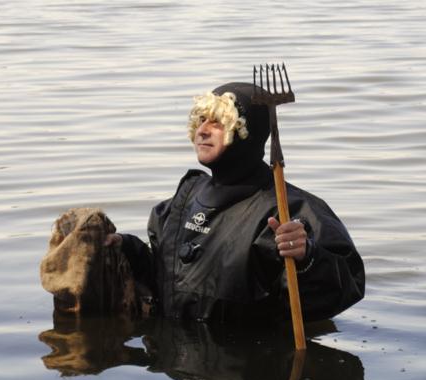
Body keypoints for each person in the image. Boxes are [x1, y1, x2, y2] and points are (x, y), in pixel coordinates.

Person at [105, 82, 365, 323]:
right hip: (176, 361)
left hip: (247, 363)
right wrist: (127, 249)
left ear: (245, 133)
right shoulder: (182, 201)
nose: (203, 130)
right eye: (201, 120)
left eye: (218, 123)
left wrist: (307, 257)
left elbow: (350, 285)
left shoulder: (290, 209)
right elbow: (169, 275)